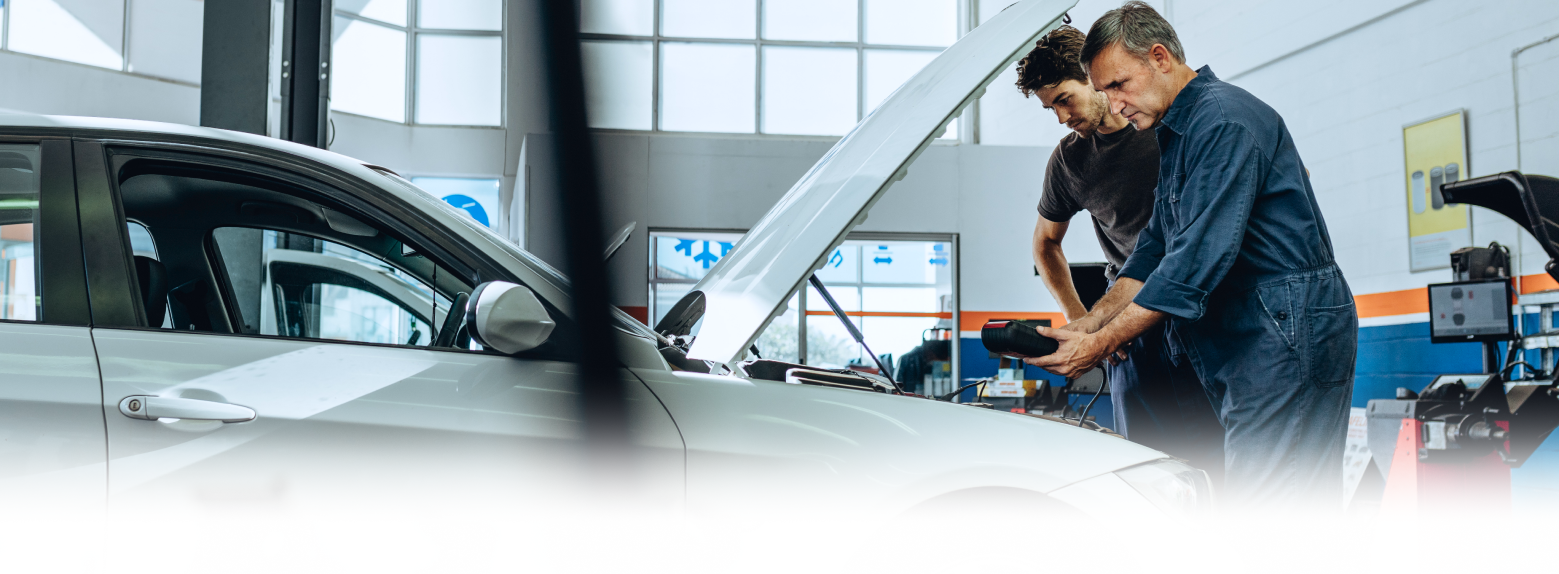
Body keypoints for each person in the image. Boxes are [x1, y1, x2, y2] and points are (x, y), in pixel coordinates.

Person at [1028, 2, 1357, 510]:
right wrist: (1088, 324)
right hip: (1242, 333)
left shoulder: (1222, 122)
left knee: (1275, 500)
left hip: (1284, 326)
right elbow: (1154, 249)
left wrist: (1101, 344)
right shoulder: (1175, 133)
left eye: (1118, 85)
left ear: (1160, 57)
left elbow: (1192, 262)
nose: (1113, 105)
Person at [1016, 25, 1222, 479]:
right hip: (1129, 318)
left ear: (1094, 75)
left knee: (1216, 456)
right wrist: (1080, 317)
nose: (1061, 116)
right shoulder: (1070, 161)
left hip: (1197, 305)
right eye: (1050, 107)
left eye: (1064, 99)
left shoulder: (1169, 125)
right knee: (1146, 461)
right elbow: (1045, 243)